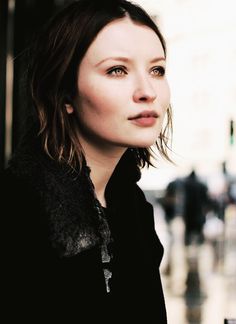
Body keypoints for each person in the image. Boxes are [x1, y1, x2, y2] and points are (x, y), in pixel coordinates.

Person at [1, 0, 173, 322]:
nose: (147, 90)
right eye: (117, 70)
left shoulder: (133, 208)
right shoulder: (17, 209)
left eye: (157, 69)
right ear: (66, 93)